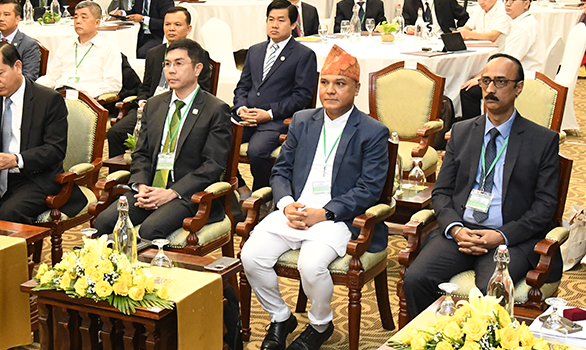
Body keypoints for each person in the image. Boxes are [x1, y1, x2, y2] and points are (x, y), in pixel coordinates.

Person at [240, 45, 389, 350]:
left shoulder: (372, 131)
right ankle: (280, 317)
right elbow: (280, 171)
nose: (330, 90)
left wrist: (325, 213)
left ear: (356, 89)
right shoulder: (302, 120)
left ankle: (320, 324)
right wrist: (285, 204)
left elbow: (369, 189)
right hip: (293, 211)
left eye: (340, 83)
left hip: (337, 218)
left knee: (311, 265)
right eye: (325, 82)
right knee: (251, 256)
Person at [402, 53, 562, 317]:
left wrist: (500, 236)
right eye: (485, 81)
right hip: (462, 232)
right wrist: (455, 229)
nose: (489, 89)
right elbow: (442, 192)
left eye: (500, 82)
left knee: (491, 292)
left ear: (518, 87)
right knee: (416, 278)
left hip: (509, 238)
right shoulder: (462, 132)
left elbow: (545, 207)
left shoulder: (541, 140)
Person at [94, 39, 231, 240]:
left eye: (179, 63)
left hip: (188, 194)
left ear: (197, 68)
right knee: (104, 221)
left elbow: (213, 165)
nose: (171, 70)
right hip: (149, 188)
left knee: (150, 230)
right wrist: (141, 186)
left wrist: (172, 192)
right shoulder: (155, 104)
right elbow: (140, 153)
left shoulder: (215, 109)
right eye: (167, 64)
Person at [0, 42, 87, 224]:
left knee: (10, 214)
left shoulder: (48, 100)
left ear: (17, 67)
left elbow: (55, 150)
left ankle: (11, 253)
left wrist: (16, 159)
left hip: (36, 178)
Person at [232, 0, 317, 195]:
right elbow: (243, 86)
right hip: (247, 116)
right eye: (271, 20)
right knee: (217, 141)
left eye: (281, 20)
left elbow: (302, 96)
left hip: (276, 119)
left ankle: (264, 195)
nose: (274, 25)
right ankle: (241, 188)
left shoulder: (303, 55)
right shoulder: (255, 50)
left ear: (293, 25)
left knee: (257, 151)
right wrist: (240, 108)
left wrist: (268, 114)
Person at [106, 6, 211, 158]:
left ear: (188, 29)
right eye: (167, 24)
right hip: (149, 108)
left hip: (178, 109)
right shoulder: (154, 53)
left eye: (177, 24)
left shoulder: (198, 55)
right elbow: (146, 86)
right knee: (116, 132)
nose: (171, 29)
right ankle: (119, 179)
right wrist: (142, 101)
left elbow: (204, 90)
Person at [459, 0, 545, 120]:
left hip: (522, 77)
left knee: (469, 91)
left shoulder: (522, 28)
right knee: (473, 80)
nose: (508, 4)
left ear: (526, 4)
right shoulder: (524, 22)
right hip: (521, 73)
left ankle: (473, 131)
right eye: (506, 1)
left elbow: (507, 65)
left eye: (513, 1)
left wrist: (481, 79)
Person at [36, 1, 122, 98]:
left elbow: (113, 84)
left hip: (88, 100)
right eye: (76, 17)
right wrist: (33, 86)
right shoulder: (65, 45)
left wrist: (87, 95)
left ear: (97, 23)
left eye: (84, 17)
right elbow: (51, 77)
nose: (78, 21)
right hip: (60, 96)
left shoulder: (108, 48)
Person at [0, 0, 41, 81]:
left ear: (17, 19)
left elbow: (29, 78)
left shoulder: (29, 45)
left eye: (6, 15)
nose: (0, 19)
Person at [107, 0, 174, 58]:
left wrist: (143, 19)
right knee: (121, 48)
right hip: (139, 34)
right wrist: (122, 13)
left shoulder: (165, 1)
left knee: (142, 53)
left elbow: (165, 22)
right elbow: (134, 12)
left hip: (156, 35)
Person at [403, 0, 468, 35]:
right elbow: (405, 23)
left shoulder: (446, 1)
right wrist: (408, 28)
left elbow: (464, 17)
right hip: (420, 40)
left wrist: (457, 31)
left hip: (443, 38)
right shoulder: (410, 2)